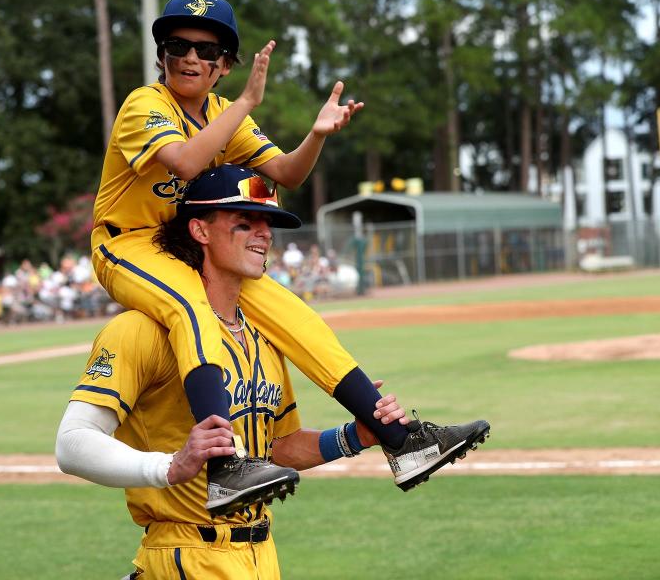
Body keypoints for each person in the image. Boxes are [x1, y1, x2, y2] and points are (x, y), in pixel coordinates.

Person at [90, 0, 487, 516]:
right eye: (178, 45)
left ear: (225, 65)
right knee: (190, 308)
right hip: (130, 242)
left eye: (207, 51)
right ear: (161, 53)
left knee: (293, 314)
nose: (190, 58)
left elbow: (288, 174)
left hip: (187, 244)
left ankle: (399, 438)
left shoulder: (218, 113)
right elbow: (185, 163)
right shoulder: (147, 103)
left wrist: (316, 135)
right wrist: (247, 103)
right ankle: (225, 467)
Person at [58, 165, 455, 579]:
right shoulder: (139, 330)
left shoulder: (261, 337)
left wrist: (357, 437)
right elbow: (72, 444)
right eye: (244, 223)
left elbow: (276, 449)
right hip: (186, 551)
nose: (263, 233)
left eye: (268, 223)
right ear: (200, 231)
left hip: (260, 556)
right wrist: (170, 466)